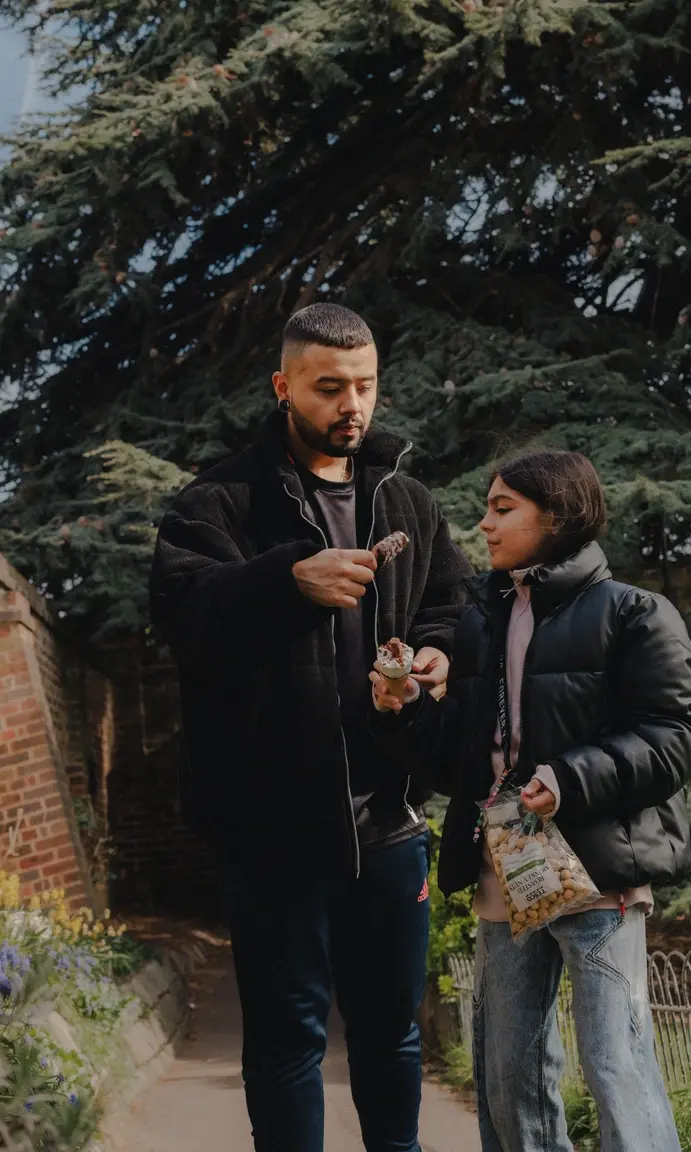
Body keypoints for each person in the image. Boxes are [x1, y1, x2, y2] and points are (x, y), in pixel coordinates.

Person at [148, 302, 473, 1152]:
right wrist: (288, 581)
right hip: (273, 829)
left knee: (392, 1034)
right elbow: (187, 619)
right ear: (283, 386)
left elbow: (452, 604)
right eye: (330, 388)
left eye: (365, 386)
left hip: (390, 818)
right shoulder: (215, 502)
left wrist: (438, 656)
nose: (352, 405)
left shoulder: (407, 496)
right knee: (289, 1043)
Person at [370, 450, 691, 1152]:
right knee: (508, 1075)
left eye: (503, 509)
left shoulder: (635, 614)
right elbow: (457, 761)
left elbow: (677, 740)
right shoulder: (479, 624)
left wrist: (570, 778)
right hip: (507, 872)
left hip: (598, 875)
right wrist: (402, 708)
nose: (484, 525)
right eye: (488, 507)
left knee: (617, 1065)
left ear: (557, 517)